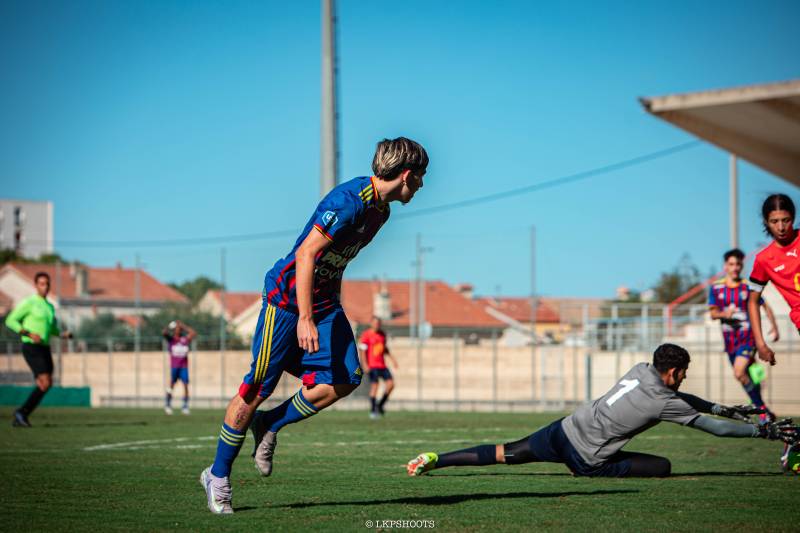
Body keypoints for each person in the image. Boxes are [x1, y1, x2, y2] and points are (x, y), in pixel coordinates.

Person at [200, 137, 429, 514]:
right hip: (287, 300)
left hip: (323, 304)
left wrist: (327, 308)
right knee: (257, 387)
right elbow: (307, 254)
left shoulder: (381, 213)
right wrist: (305, 317)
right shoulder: (349, 201)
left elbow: (335, 262)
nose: (421, 184)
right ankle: (218, 475)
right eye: (421, 176)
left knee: (346, 377)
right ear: (406, 175)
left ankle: (270, 423)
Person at [406, 344, 796, 478]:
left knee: (503, 452)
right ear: (674, 372)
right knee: (662, 467)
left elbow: (687, 400)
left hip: (563, 429)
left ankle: (436, 459)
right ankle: (580, 467)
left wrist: (722, 407)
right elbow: (714, 429)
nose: (684, 378)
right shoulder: (664, 400)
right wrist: (764, 431)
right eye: (684, 373)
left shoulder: (641, 370)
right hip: (586, 458)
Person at [708, 248, 778, 421]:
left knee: (739, 372)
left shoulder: (748, 286)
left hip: (748, 338)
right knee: (743, 376)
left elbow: (765, 305)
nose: (735, 268)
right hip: (730, 342)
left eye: (738, 264)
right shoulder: (716, 288)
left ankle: (762, 412)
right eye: (731, 264)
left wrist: (774, 326)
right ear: (725, 266)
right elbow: (713, 313)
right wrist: (724, 314)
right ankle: (764, 410)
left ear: (741, 266)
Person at [4, 272, 71, 427]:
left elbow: (51, 328)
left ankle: (21, 415)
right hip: (31, 346)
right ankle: (22, 412)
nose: (45, 286)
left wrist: (62, 334)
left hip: (45, 348)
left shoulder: (50, 307)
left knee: (46, 384)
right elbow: (10, 320)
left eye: (47, 283)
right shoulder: (30, 303)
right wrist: (28, 333)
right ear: (36, 285)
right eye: (41, 283)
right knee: (45, 382)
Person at [748, 194, 800, 367]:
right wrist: (760, 343)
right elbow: (753, 301)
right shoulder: (764, 259)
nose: (781, 227)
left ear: (793, 218)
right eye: (774, 221)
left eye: (786, 220)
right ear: (766, 222)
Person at [358, 317, 398, 419]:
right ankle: (373, 411)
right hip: (372, 365)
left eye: (378, 323)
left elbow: (384, 349)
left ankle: (380, 405)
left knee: (391, 384)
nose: (377, 325)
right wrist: (365, 364)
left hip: (382, 365)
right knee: (375, 386)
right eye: (375, 323)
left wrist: (392, 359)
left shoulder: (382, 334)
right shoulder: (366, 335)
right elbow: (362, 350)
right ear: (371, 323)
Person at [163, 320, 196, 415]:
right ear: (174, 330)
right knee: (171, 385)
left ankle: (185, 406)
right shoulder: (172, 339)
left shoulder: (184, 339)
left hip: (183, 367)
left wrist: (183, 325)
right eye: (177, 328)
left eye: (180, 328)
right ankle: (168, 405)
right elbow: (164, 333)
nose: (179, 329)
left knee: (185, 385)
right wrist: (170, 325)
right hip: (174, 367)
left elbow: (193, 333)